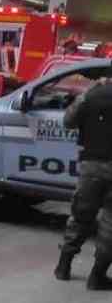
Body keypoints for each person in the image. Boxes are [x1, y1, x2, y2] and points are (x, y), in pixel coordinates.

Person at [54, 75, 112, 290]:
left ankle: (63, 267)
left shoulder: (92, 95)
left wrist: (88, 92)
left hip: (92, 166)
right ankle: (97, 277)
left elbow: (68, 121)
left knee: (80, 216)